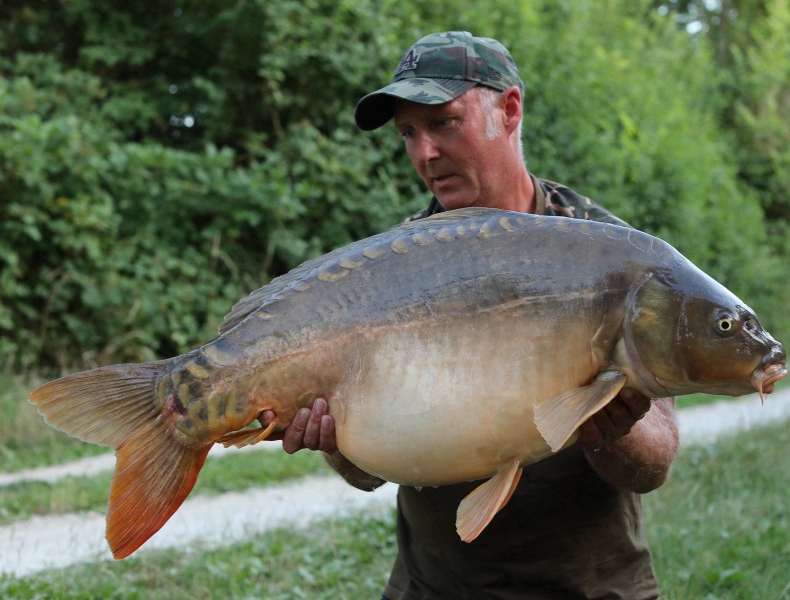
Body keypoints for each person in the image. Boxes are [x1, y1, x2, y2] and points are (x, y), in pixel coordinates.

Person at [262, 31, 680, 599]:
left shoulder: (607, 254)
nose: (424, 153)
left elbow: (653, 464)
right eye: (408, 132)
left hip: (589, 587)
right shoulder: (389, 269)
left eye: (443, 123)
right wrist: (336, 444)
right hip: (435, 588)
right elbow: (370, 471)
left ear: (508, 110)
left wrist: (613, 431)